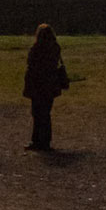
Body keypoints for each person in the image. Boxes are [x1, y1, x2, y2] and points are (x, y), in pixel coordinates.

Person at [23, 22, 69, 151]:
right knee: (46, 113)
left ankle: (36, 140)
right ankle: (45, 141)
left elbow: (30, 63)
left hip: (37, 84)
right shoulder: (55, 48)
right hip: (50, 84)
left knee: (37, 113)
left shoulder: (36, 48)